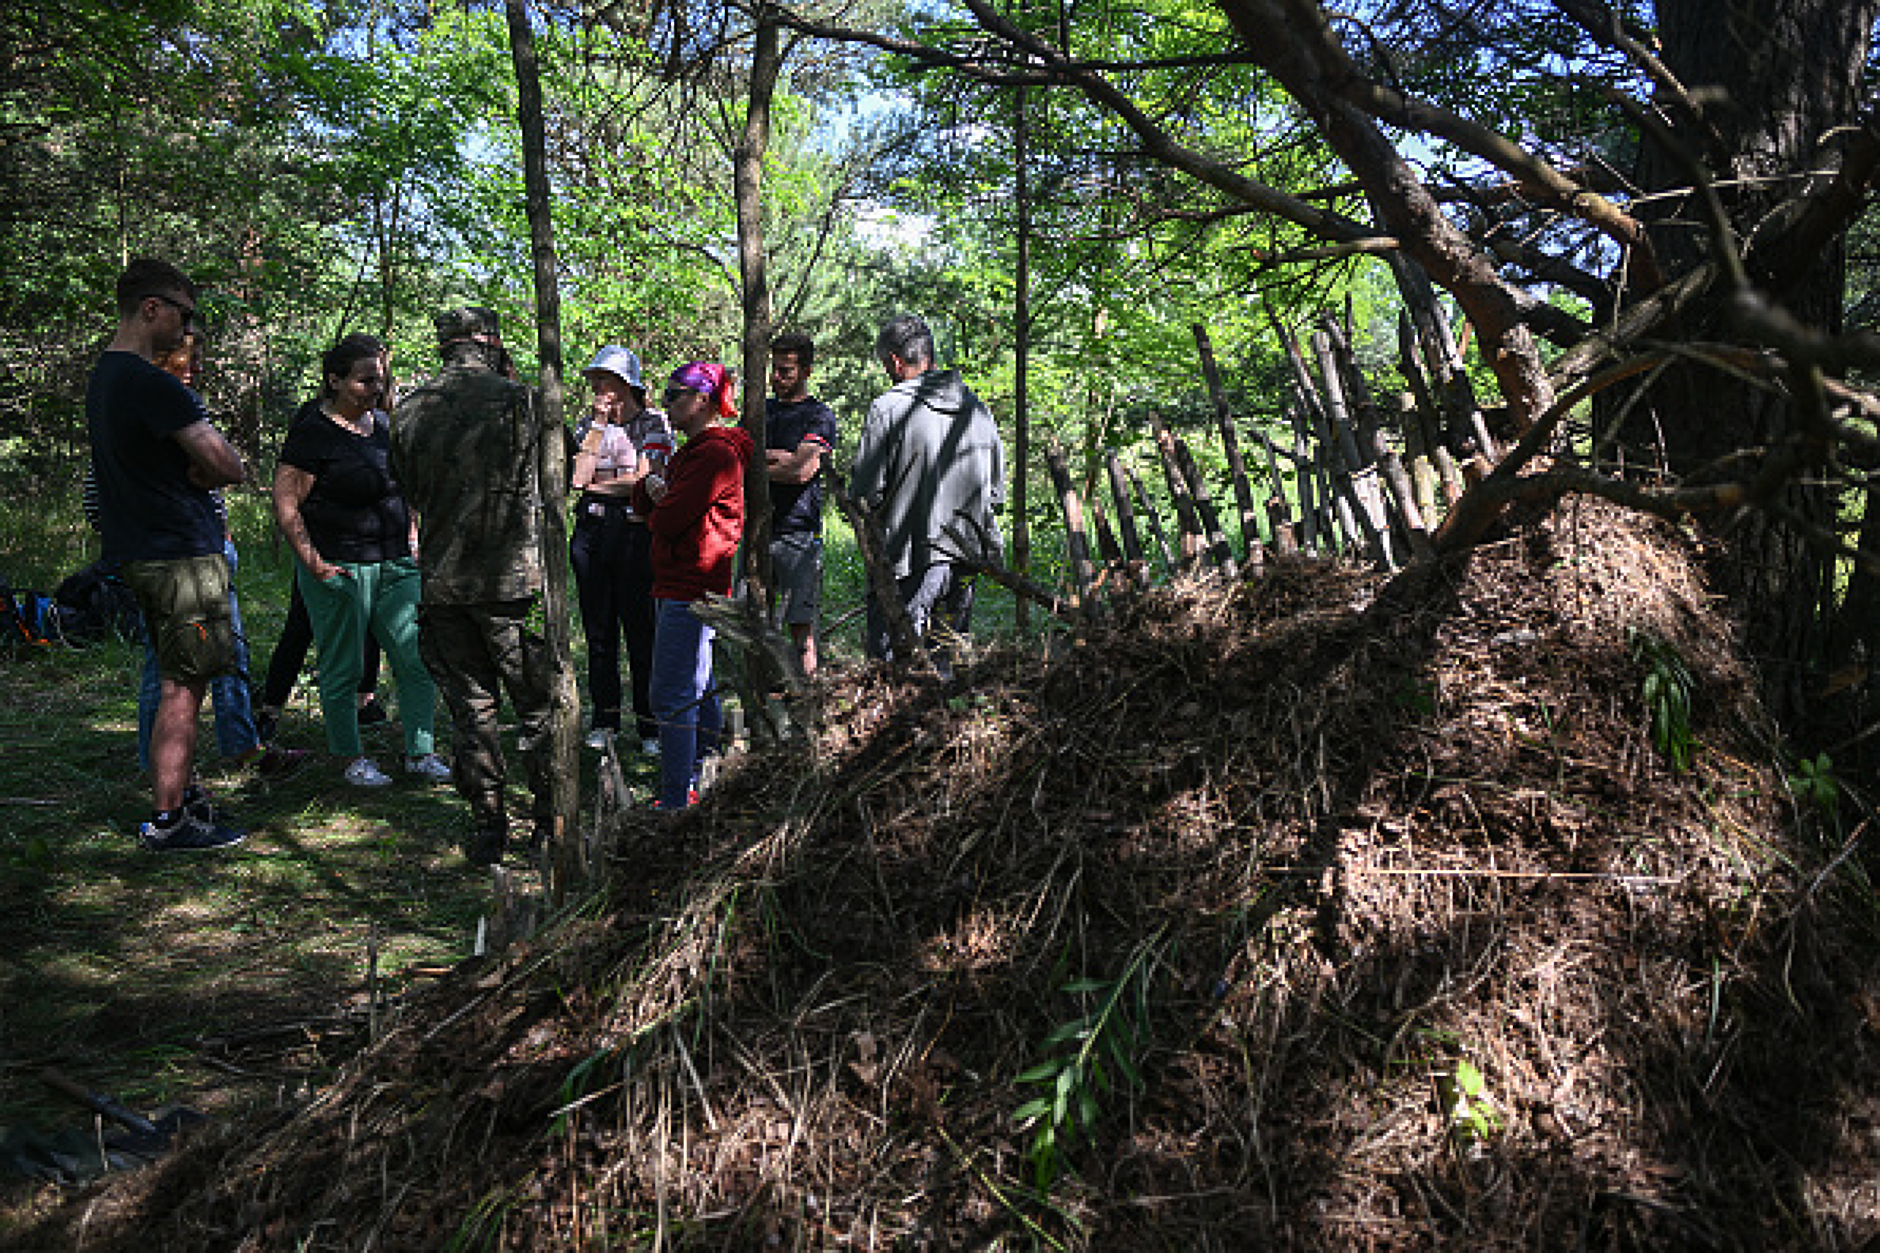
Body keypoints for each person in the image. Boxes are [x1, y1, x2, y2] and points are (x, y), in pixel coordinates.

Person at [87, 258, 247, 851]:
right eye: (183, 313)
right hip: (179, 553)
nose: (187, 329)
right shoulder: (150, 382)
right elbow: (227, 464)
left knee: (174, 675)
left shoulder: (105, 376)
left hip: (140, 550)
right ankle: (170, 818)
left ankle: (184, 793)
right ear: (151, 307)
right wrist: (207, 472)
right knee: (185, 685)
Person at [391, 307, 557, 865]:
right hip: (510, 582)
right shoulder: (521, 401)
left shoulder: (410, 407)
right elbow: (547, 482)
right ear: (490, 342)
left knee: (472, 708)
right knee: (534, 705)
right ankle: (547, 823)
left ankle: (489, 828)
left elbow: (408, 487)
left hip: (443, 581)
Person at [273, 333, 449, 787]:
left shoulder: (385, 427)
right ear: (334, 381)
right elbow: (287, 504)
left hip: (394, 564)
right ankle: (349, 758)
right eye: (365, 380)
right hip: (340, 565)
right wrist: (314, 564)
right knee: (343, 666)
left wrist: (411, 536)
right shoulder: (313, 432)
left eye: (380, 379)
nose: (376, 388)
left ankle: (420, 753)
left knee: (415, 657)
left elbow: (403, 488)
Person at [131, 330, 305, 776]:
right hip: (175, 556)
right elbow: (220, 470)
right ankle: (162, 771)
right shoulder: (148, 412)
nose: (194, 369)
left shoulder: (177, 408)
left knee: (227, 655)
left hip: (205, 548)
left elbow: (218, 475)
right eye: (185, 360)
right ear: (161, 358)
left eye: (197, 360)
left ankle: (240, 744)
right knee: (169, 668)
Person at [850, 313, 1006, 670]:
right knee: (946, 663)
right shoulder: (977, 410)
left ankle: (900, 726)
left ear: (893, 360)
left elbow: (865, 494)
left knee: (897, 668)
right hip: (966, 556)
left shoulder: (888, 409)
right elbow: (996, 493)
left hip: (909, 560)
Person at [632, 362, 753, 810]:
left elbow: (665, 520)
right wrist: (656, 486)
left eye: (674, 394)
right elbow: (645, 496)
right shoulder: (690, 452)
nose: (666, 403)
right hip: (680, 582)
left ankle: (675, 798)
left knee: (671, 694)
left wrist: (660, 501)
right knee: (696, 686)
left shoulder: (715, 454)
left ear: (701, 400)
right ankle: (704, 775)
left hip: (692, 585)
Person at [570, 344, 673, 754]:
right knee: (599, 632)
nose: (598, 387)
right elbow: (578, 477)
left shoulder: (653, 422)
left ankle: (649, 725)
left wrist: (602, 485)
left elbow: (645, 481)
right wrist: (597, 427)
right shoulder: (586, 427)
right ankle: (605, 720)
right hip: (593, 534)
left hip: (635, 534)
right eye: (595, 379)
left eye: (605, 379)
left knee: (641, 630)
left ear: (627, 384)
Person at [762, 331, 838, 676]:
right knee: (754, 623)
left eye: (786, 371)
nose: (777, 378)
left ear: (806, 371)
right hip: (757, 530)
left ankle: (805, 700)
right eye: (774, 369)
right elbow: (736, 461)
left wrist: (765, 463)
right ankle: (761, 702)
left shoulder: (818, 416)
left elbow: (801, 471)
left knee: (800, 626)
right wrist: (779, 457)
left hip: (797, 533)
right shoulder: (759, 410)